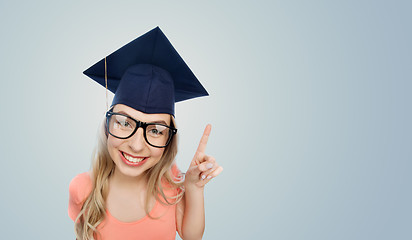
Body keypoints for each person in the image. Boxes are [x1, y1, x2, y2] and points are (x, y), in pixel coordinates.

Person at [68, 27, 223, 240]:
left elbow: (191, 236)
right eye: (124, 123)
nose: (137, 145)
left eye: (156, 130)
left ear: (168, 141)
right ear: (107, 126)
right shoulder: (83, 188)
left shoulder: (171, 183)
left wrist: (194, 188)